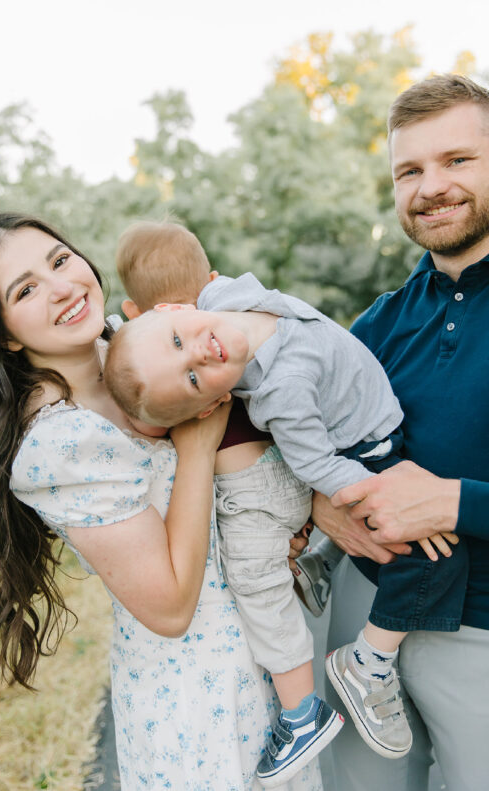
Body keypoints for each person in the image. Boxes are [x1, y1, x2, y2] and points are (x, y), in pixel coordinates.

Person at [0, 212, 322, 790]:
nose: (60, 287)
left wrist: (278, 520)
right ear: (4, 332)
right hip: (199, 696)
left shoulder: (132, 347)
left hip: (269, 652)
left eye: (59, 261)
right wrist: (199, 448)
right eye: (25, 289)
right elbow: (170, 607)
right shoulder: (63, 442)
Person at [105, 265, 464, 763]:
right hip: (367, 452)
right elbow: (315, 463)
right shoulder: (281, 392)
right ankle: (368, 661)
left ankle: (322, 559)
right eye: (192, 378)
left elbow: (172, 261)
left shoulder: (227, 294)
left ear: (175, 308)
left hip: (378, 424)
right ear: (213, 404)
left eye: (174, 338)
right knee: (434, 555)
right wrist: (383, 494)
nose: (198, 353)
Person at [113, 220, 341, 786]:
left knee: (256, 583)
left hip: (256, 492)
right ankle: (312, 568)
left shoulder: (172, 359)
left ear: (141, 309)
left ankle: (302, 711)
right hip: (280, 476)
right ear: (210, 279)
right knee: (270, 565)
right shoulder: (233, 321)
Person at [309, 73, 489, 791]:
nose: (430, 186)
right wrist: (322, 504)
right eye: (408, 170)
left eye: (457, 161)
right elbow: (303, 448)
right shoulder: (376, 324)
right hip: (363, 626)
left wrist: (454, 503)